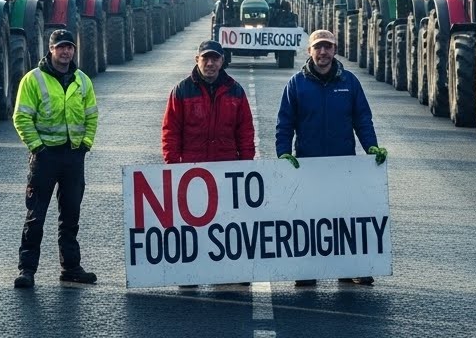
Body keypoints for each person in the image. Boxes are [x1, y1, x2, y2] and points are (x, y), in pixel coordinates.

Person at [275, 29, 386, 287]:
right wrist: (283, 153)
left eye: (328, 47)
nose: (323, 52)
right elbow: (285, 123)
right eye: (318, 47)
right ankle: (307, 270)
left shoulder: (349, 83)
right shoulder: (296, 84)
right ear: (309, 51)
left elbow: (362, 120)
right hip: (308, 164)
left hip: (343, 165)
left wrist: (372, 148)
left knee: (344, 218)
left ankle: (350, 269)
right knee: (308, 218)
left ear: (335, 50)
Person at [162, 39, 255, 289]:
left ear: (222, 61)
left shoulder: (235, 91)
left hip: (226, 168)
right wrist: (173, 165)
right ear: (197, 60)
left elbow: (245, 131)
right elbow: (171, 131)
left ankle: (229, 271)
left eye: (215, 59)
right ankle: (190, 272)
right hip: (193, 170)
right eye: (206, 58)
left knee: (227, 223)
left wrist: (246, 167)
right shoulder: (181, 91)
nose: (210, 63)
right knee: (192, 225)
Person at [13, 29, 99, 289]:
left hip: (73, 157)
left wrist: (85, 144)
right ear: (50, 50)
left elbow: (92, 114)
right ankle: (27, 270)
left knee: (71, 215)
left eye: (70, 47)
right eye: (60, 47)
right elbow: (21, 117)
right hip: (45, 158)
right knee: (36, 216)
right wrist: (38, 148)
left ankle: (70, 267)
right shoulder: (33, 80)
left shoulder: (82, 80)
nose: (66, 52)